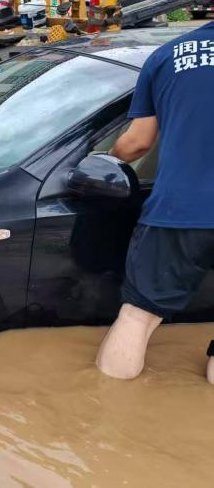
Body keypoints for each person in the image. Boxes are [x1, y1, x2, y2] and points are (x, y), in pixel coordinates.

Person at [95, 22, 214, 383]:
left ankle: (107, 417)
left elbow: (138, 143)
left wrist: (105, 162)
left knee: (137, 316)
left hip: (180, 211)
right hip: (181, 210)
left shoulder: (168, 55)